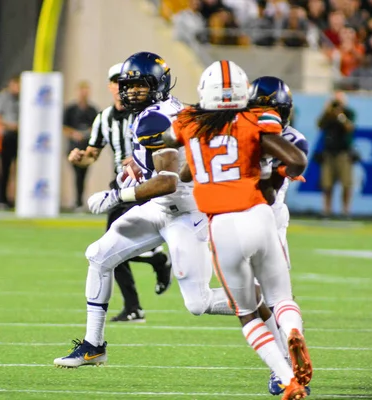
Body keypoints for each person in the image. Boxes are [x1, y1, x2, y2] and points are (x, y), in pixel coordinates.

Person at [53, 52, 237, 368]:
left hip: (186, 213)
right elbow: (169, 169)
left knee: (198, 303)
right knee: (98, 255)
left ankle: (265, 301)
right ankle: (93, 346)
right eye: (128, 86)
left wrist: (117, 195)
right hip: (160, 207)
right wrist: (137, 167)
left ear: (157, 84)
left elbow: (167, 181)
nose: (130, 92)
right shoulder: (165, 109)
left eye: (139, 85)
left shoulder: (156, 118)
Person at [172, 60, 312, 400]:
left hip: (222, 224)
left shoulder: (189, 122)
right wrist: (270, 180)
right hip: (261, 215)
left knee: (247, 311)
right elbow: (294, 159)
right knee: (282, 298)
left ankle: (285, 377)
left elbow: (181, 161)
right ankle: (293, 333)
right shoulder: (261, 121)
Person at [68, 63, 172, 323]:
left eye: (129, 83)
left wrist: (140, 160)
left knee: (111, 247)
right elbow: (91, 155)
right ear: (110, 86)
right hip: (121, 186)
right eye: (118, 82)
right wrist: (79, 158)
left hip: (148, 187)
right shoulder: (103, 118)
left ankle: (151, 272)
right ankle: (143, 286)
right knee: (109, 249)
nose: (123, 88)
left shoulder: (147, 114)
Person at [249, 76, 311, 396]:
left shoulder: (290, 140)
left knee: (261, 299)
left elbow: (270, 193)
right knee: (271, 296)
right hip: (260, 219)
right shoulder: (292, 138)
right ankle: (289, 345)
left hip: (260, 219)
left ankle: (284, 364)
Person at [316, 91, 356, 218]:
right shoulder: (328, 115)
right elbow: (319, 125)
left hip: (343, 153)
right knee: (327, 184)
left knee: (346, 184)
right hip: (328, 152)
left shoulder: (348, 113)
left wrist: (340, 115)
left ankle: (346, 211)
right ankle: (327, 210)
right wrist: (327, 110)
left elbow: (349, 127)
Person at [63, 82, 99, 212]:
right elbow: (64, 127)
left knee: (83, 174)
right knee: (77, 174)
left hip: (86, 147)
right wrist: (74, 134)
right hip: (74, 147)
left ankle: (79, 200)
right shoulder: (70, 109)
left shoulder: (92, 110)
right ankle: (77, 200)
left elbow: (97, 127)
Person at [0, 75, 20, 210]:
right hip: (6, 137)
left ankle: (16, 198)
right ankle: (1, 199)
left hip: (21, 137)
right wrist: (12, 125)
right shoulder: (2, 97)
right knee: (3, 168)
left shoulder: (25, 98)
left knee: (18, 170)